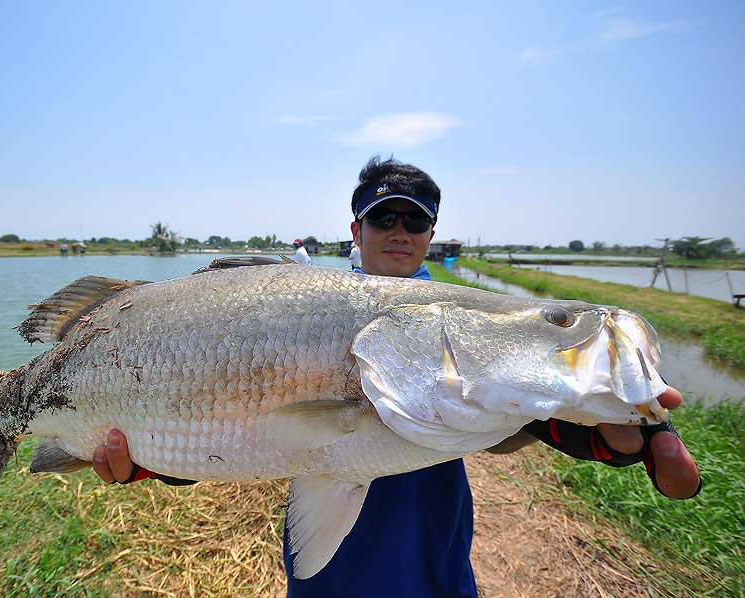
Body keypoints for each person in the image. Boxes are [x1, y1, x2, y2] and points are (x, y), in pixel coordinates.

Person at [92, 156, 701, 597]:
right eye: (383, 221)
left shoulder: (461, 319)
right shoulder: (306, 307)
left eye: (414, 222)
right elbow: (215, 420)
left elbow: (538, 414)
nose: (400, 234)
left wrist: (627, 433)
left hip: (430, 553)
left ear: (431, 236)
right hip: (332, 574)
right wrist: (147, 461)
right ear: (355, 233)